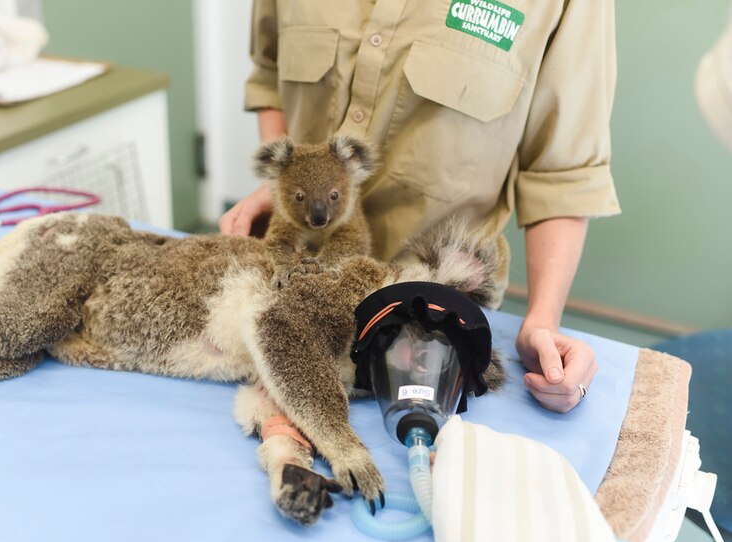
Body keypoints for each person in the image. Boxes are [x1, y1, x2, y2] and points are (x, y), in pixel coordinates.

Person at [219, 0, 620, 414]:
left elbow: (562, 172)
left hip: (431, 317)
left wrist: (541, 321)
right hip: (299, 285)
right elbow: (270, 74)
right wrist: (285, 187)